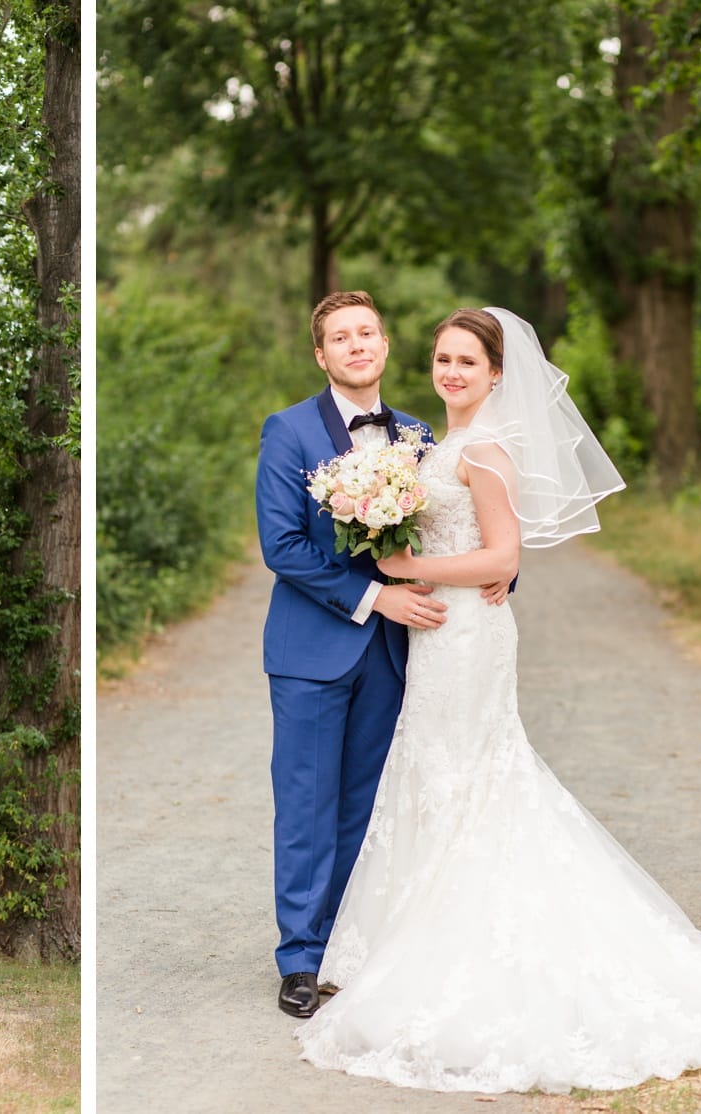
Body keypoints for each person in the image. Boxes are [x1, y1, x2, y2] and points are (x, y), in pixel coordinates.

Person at [294, 307, 701, 1092]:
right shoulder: (437, 443)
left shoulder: (482, 447)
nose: (451, 372)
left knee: (470, 775)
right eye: (443, 359)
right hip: (443, 636)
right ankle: (418, 936)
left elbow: (502, 554)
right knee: (439, 771)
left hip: (467, 638)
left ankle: (459, 948)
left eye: (468, 364)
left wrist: (409, 569)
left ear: (498, 375)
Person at [256, 291, 509, 1019]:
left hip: (401, 653)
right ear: (322, 354)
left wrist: (500, 569)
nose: (357, 346)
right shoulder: (290, 431)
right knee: (306, 803)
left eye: (367, 332)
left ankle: (348, 945)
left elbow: (455, 524)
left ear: (386, 344)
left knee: (368, 806)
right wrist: (374, 599)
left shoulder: (419, 435)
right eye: (341, 337)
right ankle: (301, 959)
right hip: (312, 649)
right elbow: (284, 547)